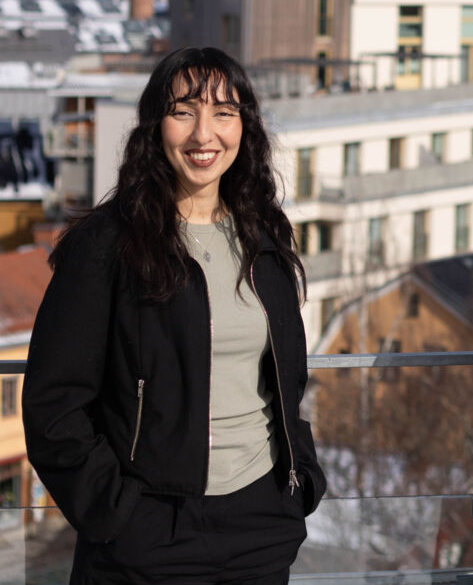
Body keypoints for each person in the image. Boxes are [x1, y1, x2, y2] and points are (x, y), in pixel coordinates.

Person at [23, 47, 327, 584]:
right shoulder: (106, 245)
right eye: (184, 111)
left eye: (223, 113)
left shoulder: (265, 234)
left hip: (259, 522)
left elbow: (285, 374)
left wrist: (299, 476)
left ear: (245, 127)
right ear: (155, 126)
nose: (203, 135)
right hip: (146, 532)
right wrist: (116, 511)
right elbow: (54, 405)